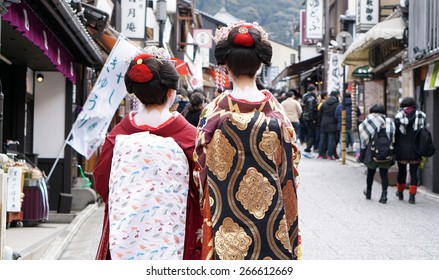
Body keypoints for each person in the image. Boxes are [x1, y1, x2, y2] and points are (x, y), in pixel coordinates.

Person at [193, 21, 301, 260]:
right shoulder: (278, 115)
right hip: (273, 223)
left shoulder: (212, 114)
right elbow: (291, 171)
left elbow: (199, 171)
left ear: (226, 67)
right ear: (261, 66)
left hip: (224, 220)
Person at [93, 47, 202, 260]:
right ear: (171, 93)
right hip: (176, 230)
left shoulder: (119, 136)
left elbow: (101, 181)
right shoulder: (190, 137)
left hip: (125, 235)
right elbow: (204, 186)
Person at [358, 104, 395, 204]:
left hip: (372, 151)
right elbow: (393, 138)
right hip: (386, 152)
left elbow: (363, 141)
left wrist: (362, 154)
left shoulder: (368, 122)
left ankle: (369, 192)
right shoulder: (390, 122)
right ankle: (384, 195)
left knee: (370, 173)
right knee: (384, 174)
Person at [394, 97, 426, 204]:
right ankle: (412, 196)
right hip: (415, 149)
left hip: (401, 148)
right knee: (413, 173)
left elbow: (396, 134)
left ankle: (400, 192)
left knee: (401, 171)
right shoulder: (420, 115)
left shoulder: (399, 116)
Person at [317, 91, 339, 160]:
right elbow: (337, 115)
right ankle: (329, 155)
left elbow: (319, 115)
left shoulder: (324, 104)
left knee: (322, 139)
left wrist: (320, 123)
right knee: (331, 140)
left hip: (323, 123)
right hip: (332, 124)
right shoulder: (337, 104)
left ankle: (320, 154)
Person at [301, 85, 319, 158]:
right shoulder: (311, 98)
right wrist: (314, 119)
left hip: (305, 117)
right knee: (312, 135)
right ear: (313, 90)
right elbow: (311, 109)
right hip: (310, 119)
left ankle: (307, 150)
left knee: (309, 134)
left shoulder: (305, 96)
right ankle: (307, 150)